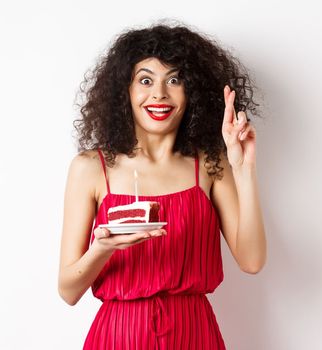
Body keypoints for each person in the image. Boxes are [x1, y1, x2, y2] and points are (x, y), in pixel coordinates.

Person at [57, 22, 267, 349]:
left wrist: (243, 168)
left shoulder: (211, 165)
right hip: (118, 337)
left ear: (192, 90)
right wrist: (102, 249)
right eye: (145, 80)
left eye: (174, 80)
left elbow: (252, 261)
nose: (159, 94)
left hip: (195, 335)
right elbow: (68, 290)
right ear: (123, 90)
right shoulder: (90, 169)